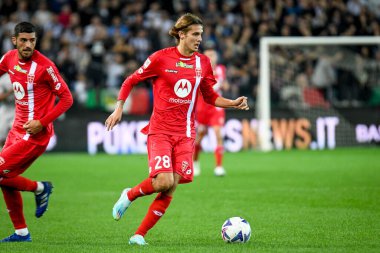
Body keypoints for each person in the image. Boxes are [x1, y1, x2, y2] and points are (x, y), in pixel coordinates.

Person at [105, 13, 249, 246]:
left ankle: (139, 235)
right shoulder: (160, 59)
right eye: (195, 34)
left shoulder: (203, 63)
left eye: (201, 34)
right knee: (162, 181)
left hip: (186, 134)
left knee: (171, 186)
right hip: (160, 131)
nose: (199, 39)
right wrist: (119, 107)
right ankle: (129, 194)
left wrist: (232, 103)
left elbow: (210, 96)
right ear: (181, 34)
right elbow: (130, 80)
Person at [0, 22, 73, 242]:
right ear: (14, 41)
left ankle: (40, 188)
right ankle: (22, 232)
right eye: (23, 40)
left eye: (32, 40)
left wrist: (42, 122)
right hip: (16, 129)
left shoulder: (45, 67)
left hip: (35, 135)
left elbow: (67, 99)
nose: (28, 44)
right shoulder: (8, 58)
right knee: (5, 178)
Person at [193, 48, 229, 176]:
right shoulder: (199, 70)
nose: (210, 57)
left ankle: (219, 167)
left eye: (212, 55)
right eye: (208, 55)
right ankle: (195, 163)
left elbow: (222, 84)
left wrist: (224, 85)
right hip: (202, 107)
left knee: (218, 134)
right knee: (200, 135)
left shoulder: (221, 69)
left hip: (216, 108)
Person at [0, 73, 14, 149]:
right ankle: (5, 154)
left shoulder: (24, 74)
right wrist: (10, 91)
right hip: (6, 108)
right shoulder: (4, 78)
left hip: (20, 108)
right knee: (1, 136)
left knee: (16, 134)